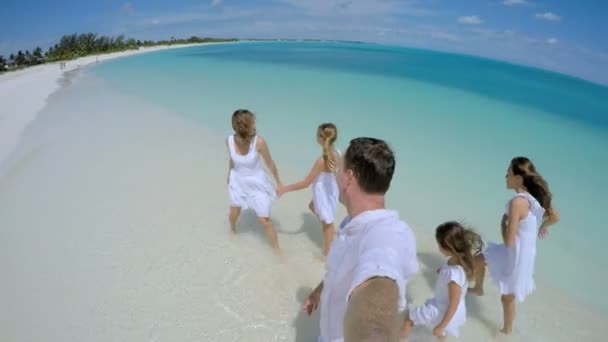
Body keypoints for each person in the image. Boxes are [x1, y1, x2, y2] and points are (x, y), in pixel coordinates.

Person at [301, 137, 419, 342]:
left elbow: (380, 281)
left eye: (339, 169)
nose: (335, 174)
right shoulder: (353, 222)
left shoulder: (386, 236)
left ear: (348, 177)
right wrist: (320, 290)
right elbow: (347, 268)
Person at [471, 156, 560, 334]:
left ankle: (506, 331)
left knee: (508, 297)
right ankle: (478, 288)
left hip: (516, 255)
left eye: (508, 173)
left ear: (519, 178)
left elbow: (509, 241)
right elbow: (555, 216)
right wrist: (541, 227)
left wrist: (502, 224)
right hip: (523, 252)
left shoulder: (517, 202)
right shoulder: (532, 199)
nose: (505, 177)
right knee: (479, 260)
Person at [401, 221, 483, 340]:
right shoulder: (458, 262)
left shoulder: (453, 276)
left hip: (443, 310)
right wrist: (443, 270)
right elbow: (452, 272)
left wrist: (441, 326)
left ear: (447, 247)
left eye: (439, 245)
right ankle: (442, 332)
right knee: (441, 333)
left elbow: (453, 304)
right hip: (455, 310)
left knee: (409, 318)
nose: (438, 248)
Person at [277, 123, 340, 258]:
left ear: (321, 139)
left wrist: (285, 189)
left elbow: (305, 183)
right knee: (312, 206)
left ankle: (327, 256)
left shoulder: (321, 161)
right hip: (330, 189)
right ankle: (331, 232)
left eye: (317, 134)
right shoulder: (337, 153)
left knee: (326, 225)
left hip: (324, 192)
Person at [226, 109, 283, 255]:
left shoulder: (259, 142)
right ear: (244, 126)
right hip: (238, 180)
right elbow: (232, 159)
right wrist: (229, 175)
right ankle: (232, 229)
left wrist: (279, 183)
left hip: (256, 182)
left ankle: (277, 251)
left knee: (264, 219)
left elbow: (270, 163)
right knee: (234, 211)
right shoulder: (229, 141)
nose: (255, 125)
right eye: (253, 122)